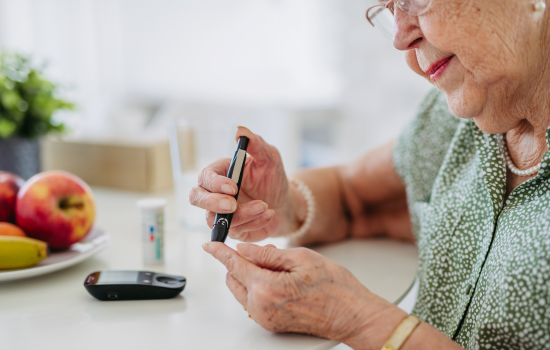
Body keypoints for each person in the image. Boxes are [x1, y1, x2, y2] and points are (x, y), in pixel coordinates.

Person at [190, 0, 550, 348]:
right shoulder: (457, 116)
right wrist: (284, 204)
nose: (399, 38)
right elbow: (353, 197)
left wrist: (355, 318)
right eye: (390, 9)